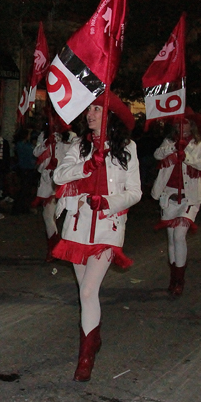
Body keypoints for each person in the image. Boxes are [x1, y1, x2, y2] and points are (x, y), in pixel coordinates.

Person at [52, 92, 141, 382]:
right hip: (78, 226)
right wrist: (87, 165)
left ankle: (85, 358)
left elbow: (135, 191)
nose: (89, 114)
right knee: (85, 293)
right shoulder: (80, 146)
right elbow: (60, 176)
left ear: (109, 116)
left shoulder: (128, 148)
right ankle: (94, 337)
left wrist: (109, 203)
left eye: (96, 109)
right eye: (88, 109)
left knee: (88, 292)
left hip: (107, 227)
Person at [151, 108, 201, 298]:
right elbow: (157, 155)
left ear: (191, 125)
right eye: (178, 123)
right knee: (171, 239)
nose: (182, 126)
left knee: (179, 236)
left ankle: (180, 280)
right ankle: (173, 278)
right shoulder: (169, 142)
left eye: (185, 122)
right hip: (169, 196)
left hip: (189, 197)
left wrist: (188, 157)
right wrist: (174, 148)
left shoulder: (199, 145)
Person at [32, 116, 72, 261]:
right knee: (48, 215)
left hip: (63, 180)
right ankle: (54, 248)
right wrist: (46, 143)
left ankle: (64, 248)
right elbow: (36, 153)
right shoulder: (44, 135)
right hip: (47, 180)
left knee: (67, 215)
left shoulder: (70, 137)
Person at [12, 127, 38, 215]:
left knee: (23, 189)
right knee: (25, 189)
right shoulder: (25, 146)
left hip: (24, 168)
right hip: (26, 169)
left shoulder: (20, 145)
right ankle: (21, 207)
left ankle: (20, 207)